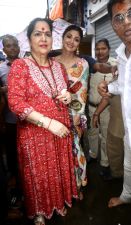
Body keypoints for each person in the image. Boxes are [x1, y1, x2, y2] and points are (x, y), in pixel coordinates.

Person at [8, 18, 78, 225]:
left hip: (60, 130)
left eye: (47, 33)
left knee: (57, 168)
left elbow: (63, 91)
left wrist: (67, 96)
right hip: (35, 134)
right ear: (29, 40)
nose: (43, 38)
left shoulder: (58, 68)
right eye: (38, 33)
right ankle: (39, 209)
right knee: (38, 174)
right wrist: (48, 123)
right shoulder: (20, 66)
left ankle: (58, 202)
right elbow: (15, 103)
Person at [98, 0, 131, 224]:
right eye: (119, 18)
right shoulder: (121, 53)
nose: (126, 22)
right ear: (113, 24)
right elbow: (126, 85)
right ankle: (126, 197)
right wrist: (108, 87)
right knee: (129, 169)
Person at [54, 25, 89, 200]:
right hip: (54, 116)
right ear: (62, 37)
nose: (71, 41)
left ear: (79, 44)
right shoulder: (51, 62)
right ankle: (63, 189)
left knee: (75, 151)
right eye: (69, 36)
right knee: (58, 154)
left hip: (75, 115)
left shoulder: (83, 64)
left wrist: (77, 115)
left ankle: (77, 185)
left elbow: (82, 92)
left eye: (76, 39)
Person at [87, 39, 116, 180]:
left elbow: (112, 92)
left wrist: (98, 113)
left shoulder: (115, 65)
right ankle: (93, 154)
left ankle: (105, 164)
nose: (100, 52)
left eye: (103, 48)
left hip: (107, 109)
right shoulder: (92, 66)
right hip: (91, 106)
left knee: (105, 137)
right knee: (92, 133)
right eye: (97, 49)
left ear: (109, 49)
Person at [0, 35, 22, 212]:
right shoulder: (0, 69)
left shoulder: (28, 65)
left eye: (15, 45)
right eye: (9, 46)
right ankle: (17, 188)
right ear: (4, 49)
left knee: (28, 155)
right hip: (10, 120)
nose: (13, 48)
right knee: (13, 156)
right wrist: (5, 89)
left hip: (29, 120)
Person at [93, 95, 124, 178]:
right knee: (114, 148)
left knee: (116, 148)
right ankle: (117, 172)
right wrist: (96, 114)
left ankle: (117, 173)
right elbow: (107, 97)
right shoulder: (117, 83)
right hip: (117, 123)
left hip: (123, 125)